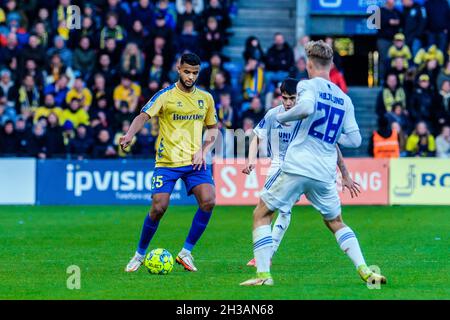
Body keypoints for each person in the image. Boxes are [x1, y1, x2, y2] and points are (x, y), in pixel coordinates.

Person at [240, 40, 386, 286]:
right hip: (324, 171)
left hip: (298, 165)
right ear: (330, 65)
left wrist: (284, 115)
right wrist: (329, 134)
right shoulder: (344, 98)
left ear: (309, 64)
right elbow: (355, 139)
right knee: (335, 222)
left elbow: (306, 107)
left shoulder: (308, 86)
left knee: (261, 213)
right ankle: (365, 270)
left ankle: (264, 276)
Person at [242, 78, 360, 267]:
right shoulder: (274, 114)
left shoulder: (308, 115)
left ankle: (267, 256)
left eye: (292, 98)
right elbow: (256, 135)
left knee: (285, 211)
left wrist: (345, 174)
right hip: (278, 164)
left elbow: (333, 145)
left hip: (301, 165)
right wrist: (250, 160)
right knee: (265, 209)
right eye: (285, 98)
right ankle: (265, 255)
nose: (288, 103)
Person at [120, 53, 218, 273]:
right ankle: (139, 255)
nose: (190, 77)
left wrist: (203, 151)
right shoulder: (165, 96)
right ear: (178, 68)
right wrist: (129, 135)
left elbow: (213, 128)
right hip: (168, 161)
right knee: (158, 208)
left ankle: (186, 253)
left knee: (209, 201)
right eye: (186, 72)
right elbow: (142, 116)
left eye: (194, 73)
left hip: (195, 161)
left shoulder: (206, 98)